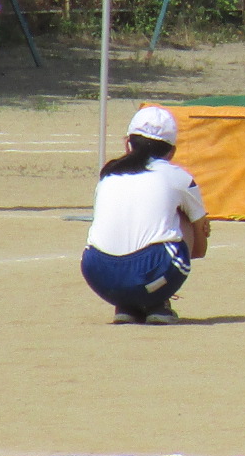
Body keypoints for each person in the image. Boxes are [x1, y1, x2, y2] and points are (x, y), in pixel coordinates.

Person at [81, 105, 210, 324]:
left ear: (127, 143)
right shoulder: (178, 177)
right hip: (153, 275)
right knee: (183, 217)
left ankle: (126, 304)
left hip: (99, 277)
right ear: (172, 151)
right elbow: (199, 248)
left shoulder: (108, 175)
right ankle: (157, 301)